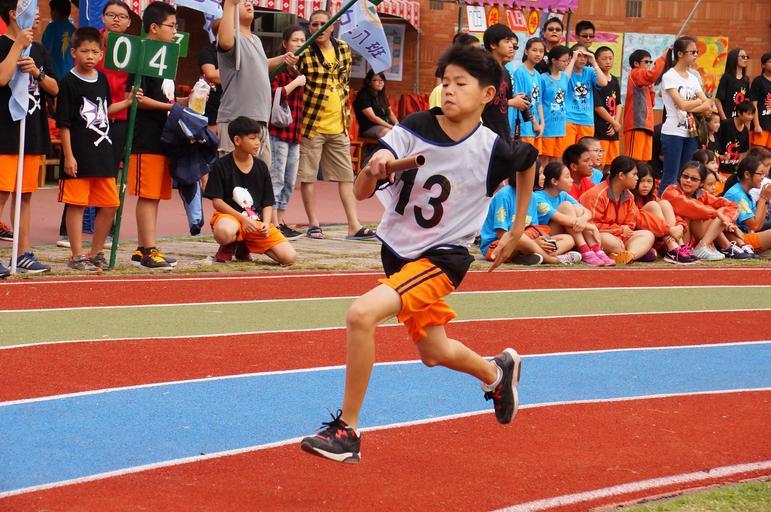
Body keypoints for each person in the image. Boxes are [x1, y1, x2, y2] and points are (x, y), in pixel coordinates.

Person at [299, 46, 538, 463]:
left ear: (487, 94)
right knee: (433, 352)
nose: (450, 90)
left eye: (461, 84)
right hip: (397, 253)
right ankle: (496, 373)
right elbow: (361, 191)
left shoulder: (492, 149)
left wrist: (517, 229)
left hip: (442, 259)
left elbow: (528, 161)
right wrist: (375, 165)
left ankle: (347, 431)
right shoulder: (414, 127)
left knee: (361, 314)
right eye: (445, 82)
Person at [56, 27, 133, 271]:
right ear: (74, 52)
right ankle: (76, 255)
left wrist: (128, 102)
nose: (90, 56)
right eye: (84, 51)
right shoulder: (68, 82)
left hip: (102, 153)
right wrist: (69, 156)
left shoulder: (101, 79)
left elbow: (104, 111)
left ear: (101, 55)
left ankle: (96, 252)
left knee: (110, 204)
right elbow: (64, 124)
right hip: (79, 154)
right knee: (77, 204)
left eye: (94, 52)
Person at [297, 10, 374, 241]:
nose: (319, 28)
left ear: (332, 26)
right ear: (309, 28)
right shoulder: (305, 52)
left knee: (346, 176)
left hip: (339, 123)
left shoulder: (343, 49)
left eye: (324, 23)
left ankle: (353, 225)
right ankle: (313, 224)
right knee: (308, 176)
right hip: (312, 123)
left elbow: (344, 81)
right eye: (314, 24)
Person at [0, 0, 58, 275]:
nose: (37, 16)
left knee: (24, 196)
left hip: (32, 130)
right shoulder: (3, 44)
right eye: (30, 11)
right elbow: (2, 78)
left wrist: (38, 72)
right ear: (14, 14)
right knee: (1, 192)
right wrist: (17, 47)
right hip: (6, 131)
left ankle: (21, 253)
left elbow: (54, 88)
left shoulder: (40, 50)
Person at [126, 1, 181, 270]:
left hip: (163, 136)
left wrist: (186, 102)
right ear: (154, 27)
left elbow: (165, 98)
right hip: (146, 136)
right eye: (171, 26)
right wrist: (172, 108)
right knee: (147, 195)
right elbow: (138, 98)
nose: (175, 31)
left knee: (155, 195)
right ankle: (148, 250)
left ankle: (145, 246)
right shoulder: (142, 55)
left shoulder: (166, 58)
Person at [203, 116, 296, 266]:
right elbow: (217, 202)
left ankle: (244, 244)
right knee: (224, 232)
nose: (258, 142)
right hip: (231, 218)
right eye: (252, 138)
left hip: (255, 222)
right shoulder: (221, 165)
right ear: (237, 140)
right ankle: (231, 243)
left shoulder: (261, 166)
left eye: (258, 138)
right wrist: (243, 219)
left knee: (289, 258)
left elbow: (268, 202)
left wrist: (266, 223)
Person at [217, 0, 297, 166]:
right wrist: (229, 5)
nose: (248, 4)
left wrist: (284, 58)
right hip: (237, 120)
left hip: (260, 120)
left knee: (261, 176)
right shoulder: (232, 36)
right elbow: (225, 42)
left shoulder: (256, 40)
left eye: (249, 1)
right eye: (242, 2)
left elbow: (262, 65)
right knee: (235, 177)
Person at [481, 170, 581, 266]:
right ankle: (552, 259)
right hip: (497, 246)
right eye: (540, 173)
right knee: (518, 235)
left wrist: (538, 241)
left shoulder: (532, 196)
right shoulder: (504, 195)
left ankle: (526, 256)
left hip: (527, 242)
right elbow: (501, 234)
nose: (544, 177)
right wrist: (533, 243)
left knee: (568, 239)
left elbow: (533, 228)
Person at [657, 36, 713, 195]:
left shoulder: (693, 78)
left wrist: (692, 104)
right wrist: (697, 101)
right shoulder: (669, 76)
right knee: (670, 177)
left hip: (691, 132)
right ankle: (663, 206)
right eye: (692, 52)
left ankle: (680, 207)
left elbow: (707, 103)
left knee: (686, 177)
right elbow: (681, 104)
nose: (695, 55)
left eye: (697, 52)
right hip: (673, 132)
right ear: (680, 54)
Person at [662, 161, 746, 260]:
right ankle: (724, 246)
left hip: (694, 240)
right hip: (674, 240)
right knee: (697, 214)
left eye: (693, 179)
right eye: (685, 176)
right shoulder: (671, 190)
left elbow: (733, 206)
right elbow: (690, 206)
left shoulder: (702, 194)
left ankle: (705, 246)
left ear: (701, 183)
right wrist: (716, 214)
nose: (688, 180)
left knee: (722, 211)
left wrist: (729, 221)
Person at [580, 156, 655, 264]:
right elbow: (592, 226)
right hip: (598, 236)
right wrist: (619, 230)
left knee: (648, 235)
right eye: (634, 174)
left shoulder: (629, 196)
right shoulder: (597, 194)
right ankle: (635, 253)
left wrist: (621, 233)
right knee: (610, 241)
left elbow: (630, 224)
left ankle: (628, 255)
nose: (637, 178)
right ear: (621, 175)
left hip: (620, 237)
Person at [534, 161, 613, 265]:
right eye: (567, 177)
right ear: (554, 181)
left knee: (577, 210)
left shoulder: (563, 194)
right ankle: (585, 250)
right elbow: (561, 219)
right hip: (546, 236)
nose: (571, 180)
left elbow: (587, 212)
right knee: (566, 206)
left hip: (566, 234)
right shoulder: (538, 197)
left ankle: (595, 249)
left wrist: (583, 220)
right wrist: (591, 227)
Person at [268, 24, 305, 241]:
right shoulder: (278, 68)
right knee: (277, 177)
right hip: (278, 131)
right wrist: (295, 83)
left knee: (290, 180)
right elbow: (272, 93)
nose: (299, 44)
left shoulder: (298, 68)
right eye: (295, 40)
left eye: (302, 40)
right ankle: (272, 222)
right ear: (285, 44)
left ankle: (281, 221)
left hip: (295, 133)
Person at [632, 162, 697, 264]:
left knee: (664, 203)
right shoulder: (631, 197)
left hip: (661, 236)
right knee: (653, 205)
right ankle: (672, 247)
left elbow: (672, 215)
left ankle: (680, 246)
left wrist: (680, 225)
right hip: (642, 235)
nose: (646, 185)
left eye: (649, 181)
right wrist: (669, 229)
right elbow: (637, 219)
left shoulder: (652, 196)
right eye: (642, 181)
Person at [483, 23, 528, 140]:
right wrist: (511, 102)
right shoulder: (485, 70)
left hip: (503, 132)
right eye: (507, 41)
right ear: (493, 44)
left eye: (512, 43)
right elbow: (481, 100)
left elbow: (504, 98)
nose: (511, 46)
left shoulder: (505, 72)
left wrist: (515, 99)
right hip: (486, 134)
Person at [622, 48, 667, 163]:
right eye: (646, 62)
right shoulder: (635, 73)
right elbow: (652, 75)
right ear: (636, 64)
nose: (649, 65)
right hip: (636, 124)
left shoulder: (644, 80)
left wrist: (651, 88)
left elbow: (651, 103)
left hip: (647, 125)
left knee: (644, 160)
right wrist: (663, 58)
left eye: (650, 62)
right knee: (632, 159)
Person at [723, 156, 771, 253]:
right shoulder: (737, 195)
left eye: (764, 174)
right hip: (740, 239)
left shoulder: (746, 193)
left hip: (748, 235)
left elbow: (759, 225)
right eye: (760, 174)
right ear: (747, 174)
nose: (763, 178)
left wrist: (765, 199)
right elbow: (754, 226)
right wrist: (763, 198)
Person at [539, 45, 577, 163]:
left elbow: (569, 70)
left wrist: (574, 58)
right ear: (554, 60)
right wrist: (541, 123)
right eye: (564, 61)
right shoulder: (542, 78)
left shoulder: (564, 76)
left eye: (568, 61)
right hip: (547, 126)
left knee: (557, 161)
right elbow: (539, 102)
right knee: (544, 161)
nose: (566, 63)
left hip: (560, 126)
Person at [564, 44, 607, 146]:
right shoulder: (567, 71)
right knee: (567, 151)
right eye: (579, 55)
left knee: (585, 151)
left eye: (585, 56)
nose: (582, 59)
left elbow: (603, 82)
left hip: (586, 120)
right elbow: (563, 81)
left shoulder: (589, 71)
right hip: (568, 119)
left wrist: (594, 62)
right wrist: (572, 60)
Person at [509, 37, 544, 150]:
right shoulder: (520, 72)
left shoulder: (537, 75)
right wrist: (534, 123)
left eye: (541, 51)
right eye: (534, 50)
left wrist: (542, 124)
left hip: (535, 127)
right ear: (526, 51)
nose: (538, 54)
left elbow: (539, 102)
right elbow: (521, 101)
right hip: (524, 127)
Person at [593, 46, 622, 169]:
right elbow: (597, 106)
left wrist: (616, 122)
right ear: (596, 60)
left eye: (610, 58)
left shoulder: (614, 80)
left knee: (612, 164)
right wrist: (613, 122)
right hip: (600, 128)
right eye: (604, 59)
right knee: (599, 164)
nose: (608, 62)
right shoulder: (596, 80)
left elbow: (618, 103)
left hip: (613, 129)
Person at [354, 70, 398, 138]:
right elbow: (372, 117)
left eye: (382, 80)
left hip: (385, 125)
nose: (380, 82)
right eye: (376, 80)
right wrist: (390, 127)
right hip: (369, 127)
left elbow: (390, 113)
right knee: (389, 133)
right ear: (369, 82)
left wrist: (397, 125)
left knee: (401, 132)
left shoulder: (382, 95)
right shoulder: (363, 95)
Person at [716, 100, 755, 175]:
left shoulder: (745, 130)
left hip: (732, 170)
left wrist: (738, 168)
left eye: (752, 114)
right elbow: (714, 142)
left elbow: (743, 151)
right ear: (739, 113)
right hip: (719, 168)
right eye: (748, 114)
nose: (751, 117)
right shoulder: (725, 124)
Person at [41, 0, 74, 79]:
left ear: (55, 12)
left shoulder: (51, 28)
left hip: (54, 75)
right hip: (71, 75)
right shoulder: (74, 30)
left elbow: (45, 51)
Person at [715, 48, 750, 120]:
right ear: (734, 58)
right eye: (743, 57)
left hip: (740, 120)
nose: (746, 59)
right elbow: (717, 100)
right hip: (728, 118)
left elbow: (746, 100)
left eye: (747, 57)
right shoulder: (726, 77)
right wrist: (724, 119)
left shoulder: (746, 79)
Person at [749, 52, 771, 149]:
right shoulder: (758, 81)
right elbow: (754, 105)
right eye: (770, 61)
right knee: (759, 152)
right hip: (762, 124)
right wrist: (756, 125)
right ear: (763, 65)